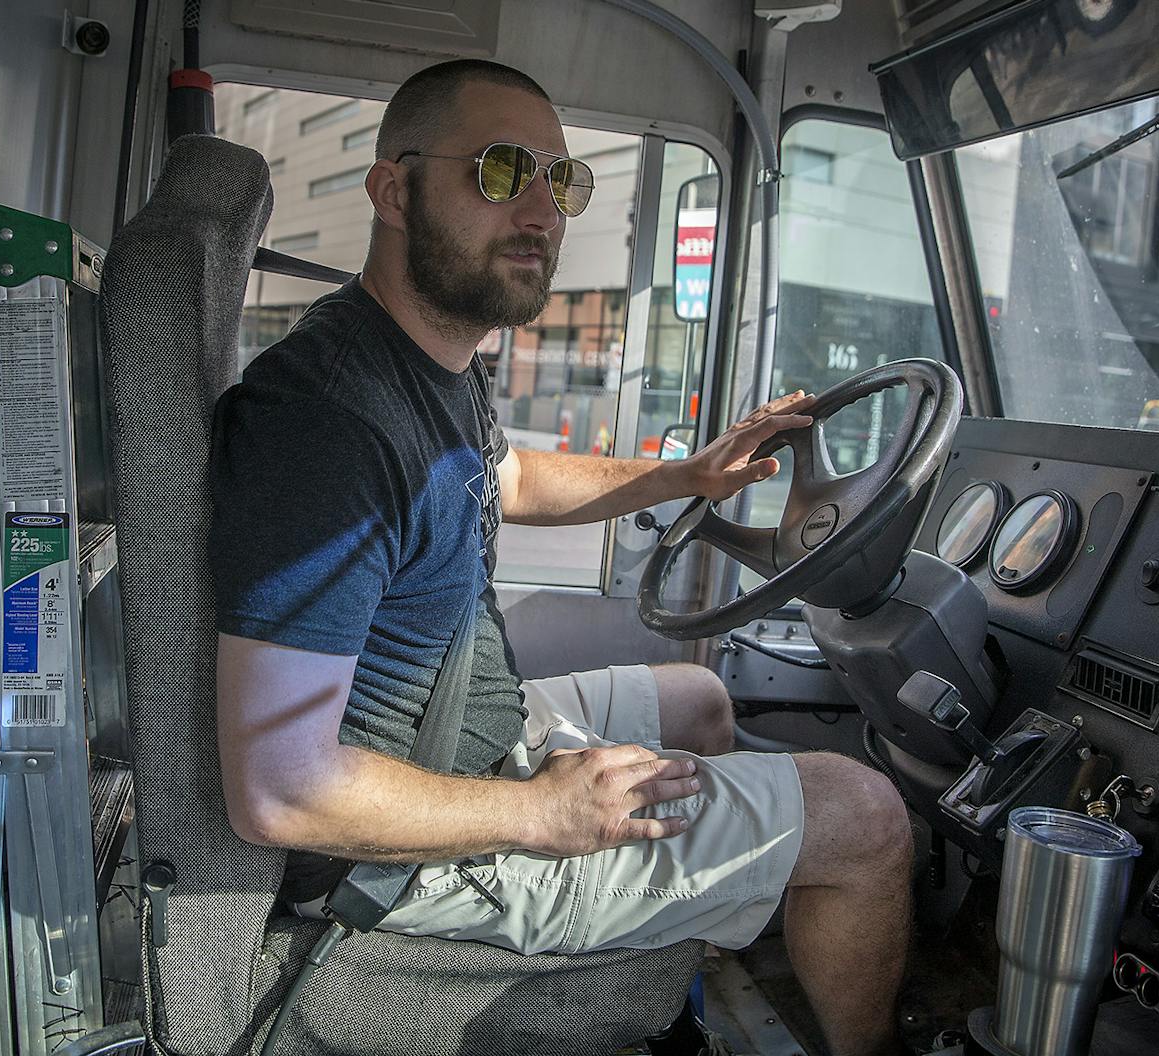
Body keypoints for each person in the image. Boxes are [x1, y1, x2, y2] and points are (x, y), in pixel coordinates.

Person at [210, 59, 912, 1056]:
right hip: (393, 855)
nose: (541, 210)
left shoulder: (424, 363)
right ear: (391, 188)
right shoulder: (322, 423)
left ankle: (669, 941)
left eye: (561, 180)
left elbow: (511, 479)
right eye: (500, 172)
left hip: (465, 734)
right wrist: (535, 813)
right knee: (867, 816)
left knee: (702, 700)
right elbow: (280, 784)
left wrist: (685, 477)